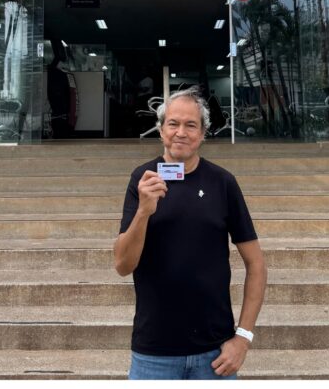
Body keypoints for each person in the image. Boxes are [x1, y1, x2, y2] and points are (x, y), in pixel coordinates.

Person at [114, 86, 267, 380]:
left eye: (191, 125)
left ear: (203, 133)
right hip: (153, 353)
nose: (181, 133)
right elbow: (122, 265)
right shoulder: (142, 179)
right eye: (173, 123)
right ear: (161, 130)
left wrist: (243, 337)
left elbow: (256, 264)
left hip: (215, 354)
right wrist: (144, 211)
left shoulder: (222, 182)